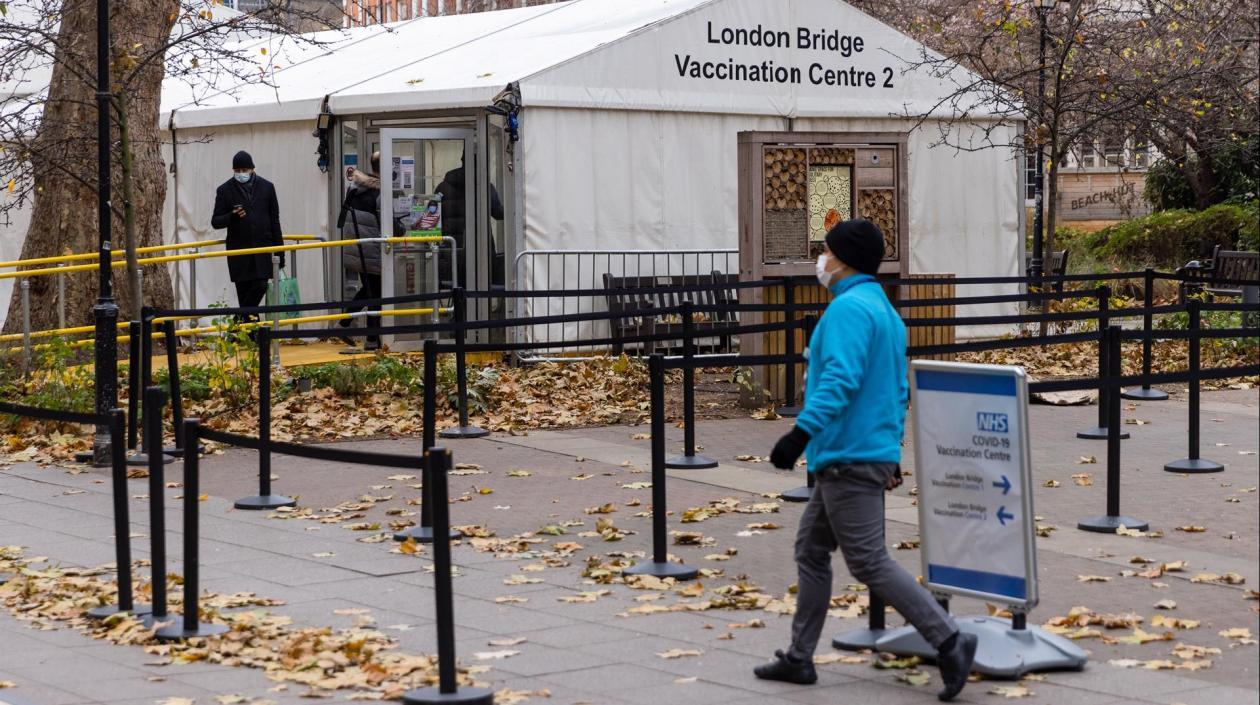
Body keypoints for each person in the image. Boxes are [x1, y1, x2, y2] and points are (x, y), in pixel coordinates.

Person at [755, 219, 977, 702]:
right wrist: (891, 452)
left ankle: (950, 640)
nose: (822, 260)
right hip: (864, 453)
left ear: (845, 259)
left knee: (869, 561)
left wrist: (799, 434)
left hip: (846, 456)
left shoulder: (847, 310)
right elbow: (897, 391)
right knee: (811, 551)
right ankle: (799, 658)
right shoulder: (884, 310)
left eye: (828, 253)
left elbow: (840, 380)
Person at [210, 150, 284, 326]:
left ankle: (235, 329)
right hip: (239, 251)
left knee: (260, 286)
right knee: (244, 295)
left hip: (262, 249)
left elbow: (275, 220)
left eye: (245, 169)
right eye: (238, 170)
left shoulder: (267, 187)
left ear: (252, 169)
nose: (241, 173)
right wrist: (232, 216)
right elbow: (215, 221)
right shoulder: (224, 190)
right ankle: (252, 339)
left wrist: (280, 252)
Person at [336, 152, 384, 351]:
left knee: (370, 289)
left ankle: (344, 326)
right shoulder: (378, 193)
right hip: (371, 249)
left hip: (356, 248)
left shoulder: (356, 188)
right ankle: (370, 338)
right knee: (375, 292)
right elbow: (388, 224)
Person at [434, 156, 504, 289]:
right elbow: (499, 214)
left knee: (457, 289)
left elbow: (434, 219)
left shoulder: (442, 188)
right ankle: (479, 310)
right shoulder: (485, 187)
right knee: (480, 289)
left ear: (462, 161)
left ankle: (460, 310)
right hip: (481, 249)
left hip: (452, 249)